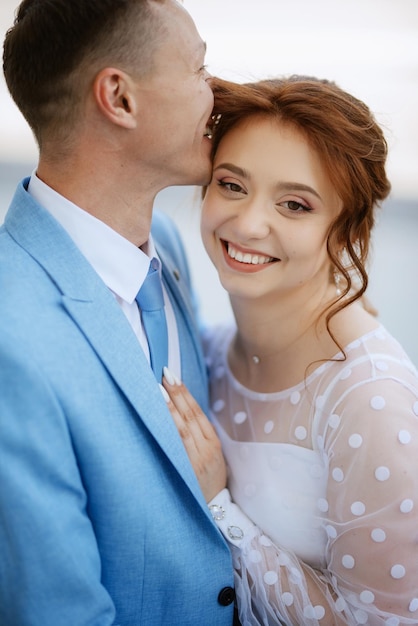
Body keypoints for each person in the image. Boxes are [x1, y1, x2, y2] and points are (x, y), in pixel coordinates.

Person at [0, 2, 237, 625]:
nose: (216, 91)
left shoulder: (170, 247)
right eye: (198, 67)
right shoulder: (11, 341)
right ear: (120, 98)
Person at [162, 76, 418, 625]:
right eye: (231, 185)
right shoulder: (205, 350)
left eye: (295, 205)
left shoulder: (369, 398)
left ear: (347, 233)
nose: (250, 223)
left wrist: (221, 509)